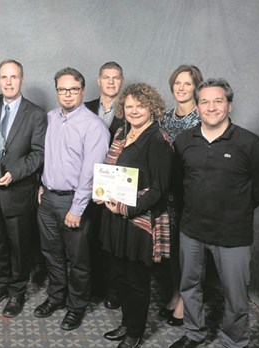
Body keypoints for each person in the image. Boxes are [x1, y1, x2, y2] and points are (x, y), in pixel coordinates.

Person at [170, 78, 259, 348]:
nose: (211, 107)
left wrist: (235, 208)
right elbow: (178, 183)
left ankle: (234, 341)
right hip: (191, 230)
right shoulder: (183, 141)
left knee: (235, 296)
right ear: (197, 106)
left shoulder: (249, 143)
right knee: (189, 286)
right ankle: (194, 333)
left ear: (229, 105)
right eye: (204, 101)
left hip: (233, 235)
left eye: (218, 101)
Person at [98, 83, 173, 348]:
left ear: (152, 107)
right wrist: (101, 191)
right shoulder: (122, 132)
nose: (134, 111)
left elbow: (159, 190)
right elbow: (110, 172)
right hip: (113, 218)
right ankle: (126, 323)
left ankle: (135, 332)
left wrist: (126, 208)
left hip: (137, 223)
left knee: (136, 281)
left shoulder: (157, 140)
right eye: (129, 106)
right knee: (119, 276)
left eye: (140, 106)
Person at [36, 68, 110, 330]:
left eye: (73, 89)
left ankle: (76, 307)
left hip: (74, 203)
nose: (67, 94)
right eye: (62, 89)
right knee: (52, 255)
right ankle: (56, 297)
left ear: (83, 90)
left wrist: (77, 209)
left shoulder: (94, 126)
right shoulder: (50, 118)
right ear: (57, 91)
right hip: (47, 200)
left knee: (78, 260)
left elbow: (91, 173)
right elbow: (43, 155)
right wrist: (41, 185)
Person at [0, 59, 47, 318]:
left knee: (18, 247)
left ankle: (17, 292)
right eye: (4, 77)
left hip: (18, 191)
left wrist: (13, 174)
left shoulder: (36, 114)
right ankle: (0, 286)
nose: (9, 82)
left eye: (14, 77)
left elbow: (38, 155)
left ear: (22, 80)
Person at [158, 64, 203, 327]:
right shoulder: (164, 117)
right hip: (166, 195)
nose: (181, 88)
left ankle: (186, 301)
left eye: (187, 83)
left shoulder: (201, 118)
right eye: (177, 82)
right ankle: (177, 292)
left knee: (189, 252)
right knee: (172, 251)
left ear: (196, 87)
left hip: (190, 196)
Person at [84, 61, 125, 310]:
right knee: (87, 238)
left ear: (121, 81)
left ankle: (113, 290)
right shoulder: (84, 108)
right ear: (98, 81)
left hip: (115, 186)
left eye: (116, 78)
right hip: (86, 183)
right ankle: (93, 287)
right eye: (106, 77)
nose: (111, 82)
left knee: (112, 241)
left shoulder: (131, 110)